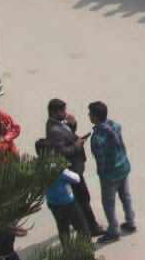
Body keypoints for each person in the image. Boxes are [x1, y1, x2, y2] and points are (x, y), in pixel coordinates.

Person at [44, 99, 104, 237]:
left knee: (83, 199)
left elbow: (69, 136)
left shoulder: (59, 124)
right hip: (72, 170)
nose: (66, 113)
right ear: (55, 112)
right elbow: (62, 151)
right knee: (83, 199)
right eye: (63, 111)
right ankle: (92, 227)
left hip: (75, 168)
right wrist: (77, 145)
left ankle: (88, 225)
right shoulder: (53, 130)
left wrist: (72, 125)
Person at [87, 101, 136, 243]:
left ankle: (114, 230)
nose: (89, 116)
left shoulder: (97, 138)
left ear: (95, 117)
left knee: (109, 203)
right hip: (123, 167)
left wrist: (102, 174)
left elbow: (100, 161)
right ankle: (130, 221)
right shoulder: (115, 126)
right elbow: (122, 145)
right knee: (125, 196)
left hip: (110, 175)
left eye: (90, 114)